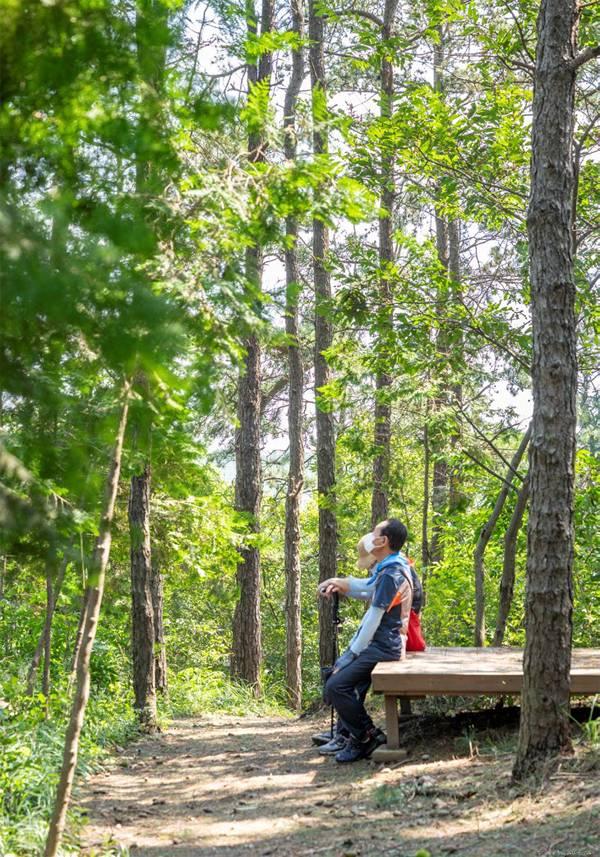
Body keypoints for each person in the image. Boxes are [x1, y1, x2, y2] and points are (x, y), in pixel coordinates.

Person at [318, 518, 413, 763]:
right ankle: (352, 735)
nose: (370, 537)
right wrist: (340, 583)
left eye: (374, 534)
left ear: (384, 541)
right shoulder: (391, 567)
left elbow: (374, 617)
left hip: (384, 646)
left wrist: (352, 652)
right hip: (382, 644)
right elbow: (368, 588)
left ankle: (366, 737)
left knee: (336, 686)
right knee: (337, 682)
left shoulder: (392, 572)